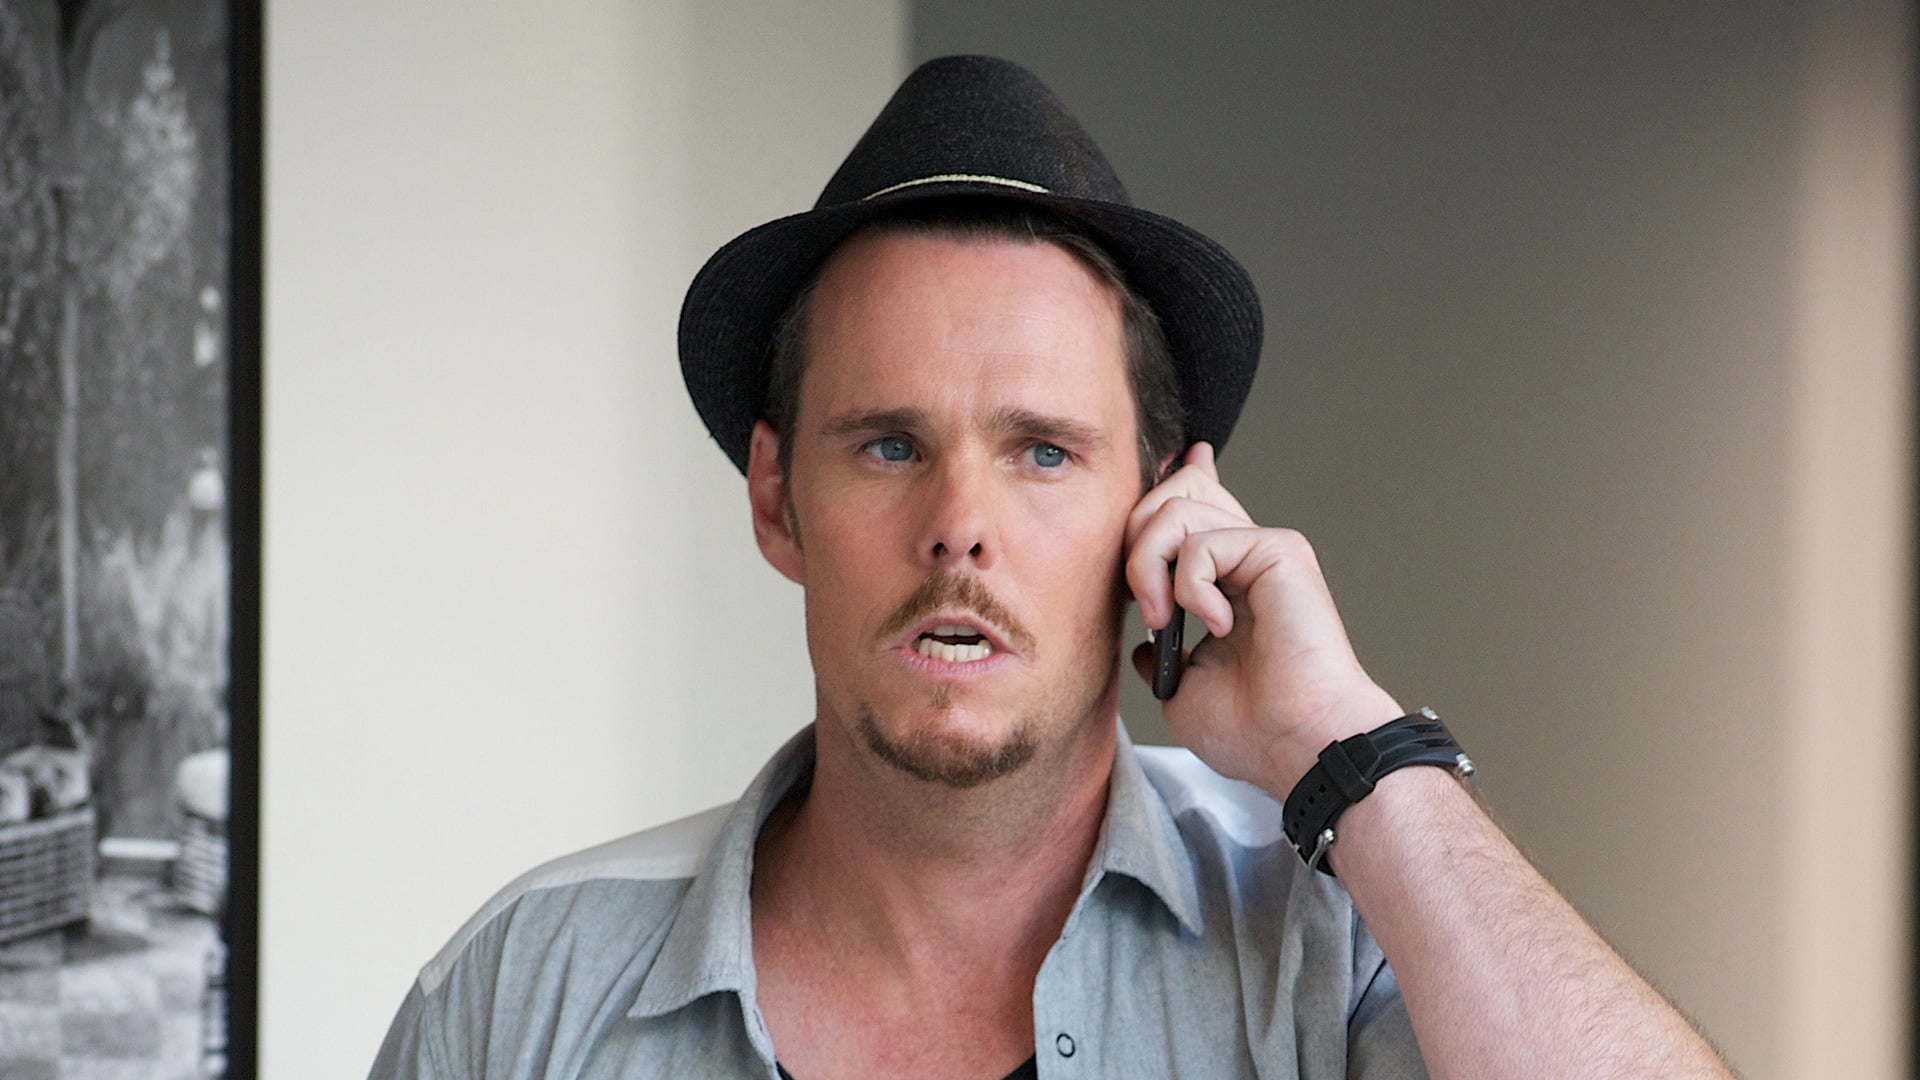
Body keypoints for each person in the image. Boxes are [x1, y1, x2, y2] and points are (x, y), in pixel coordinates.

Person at [371, 55, 1735, 1080]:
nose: (959, 526)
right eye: (890, 445)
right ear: (778, 502)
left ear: (1163, 511)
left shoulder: (1332, 951)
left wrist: (1348, 746)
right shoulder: (519, 997)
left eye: (1041, 452)